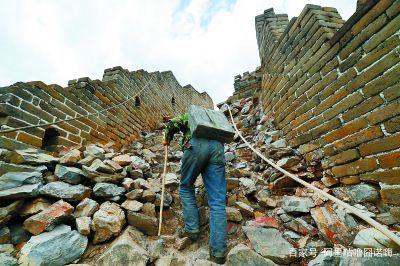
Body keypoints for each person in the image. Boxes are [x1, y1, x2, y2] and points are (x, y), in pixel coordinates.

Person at [162, 113, 227, 264]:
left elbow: (172, 124)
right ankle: (218, 253)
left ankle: (192, 230)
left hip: (196, 145)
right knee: (217, 201)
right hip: (218, 148)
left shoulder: (189, 116)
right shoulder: (214, 121)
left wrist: (166, 138)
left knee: (185, 186)